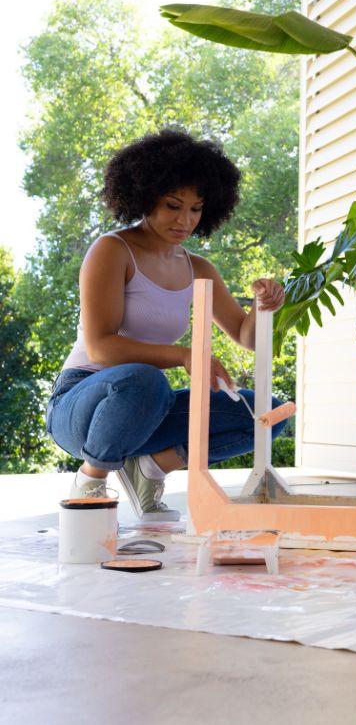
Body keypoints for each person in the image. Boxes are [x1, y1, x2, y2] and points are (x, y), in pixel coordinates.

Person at [46, 129, 288, 521]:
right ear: (144, 197)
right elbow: (101, 348)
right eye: (173, 205)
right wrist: (183, 356)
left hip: (145, 410)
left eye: (196, 209)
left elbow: (248, 338)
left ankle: (150, 469)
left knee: (266, 413)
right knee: (147, 379)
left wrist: (264, 308)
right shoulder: (113, 249)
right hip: (82, 407)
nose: (185, 220)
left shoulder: (198, 268)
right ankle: (89, 482)